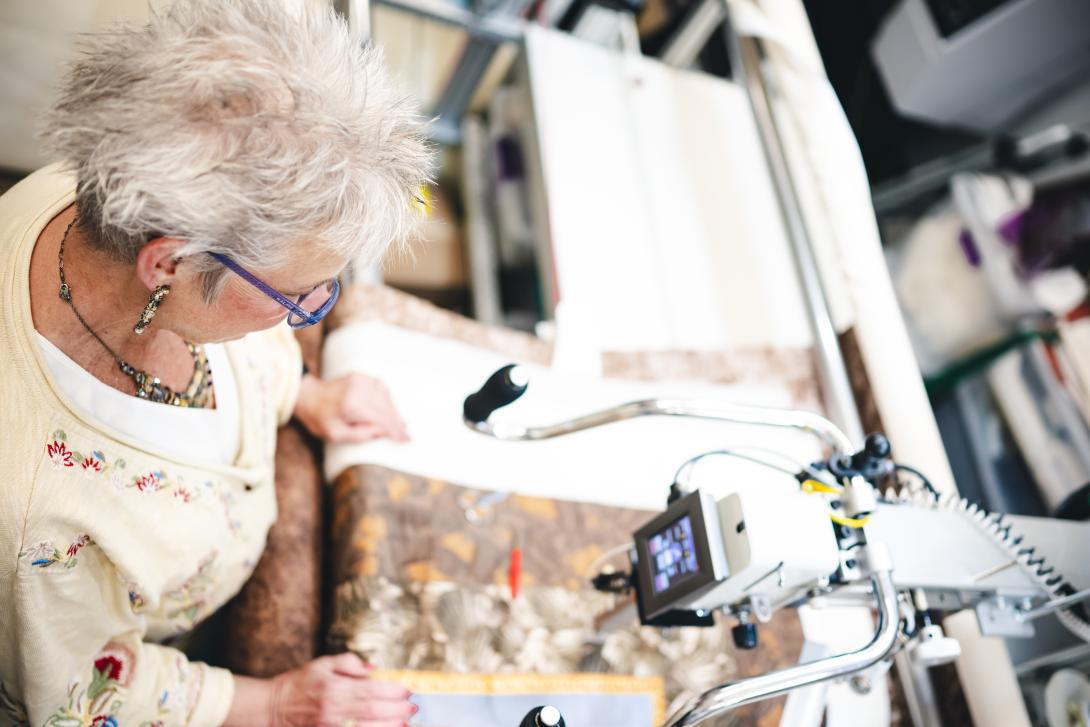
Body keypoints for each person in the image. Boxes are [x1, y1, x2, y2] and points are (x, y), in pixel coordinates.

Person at [0, 1, 432, 725]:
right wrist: (271, 701)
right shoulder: (38, 525)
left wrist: (301, 392)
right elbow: (85, 693)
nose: (313, 308)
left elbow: (240, 334)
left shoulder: (89, 196)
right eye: (299, 295)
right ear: (166, 261)